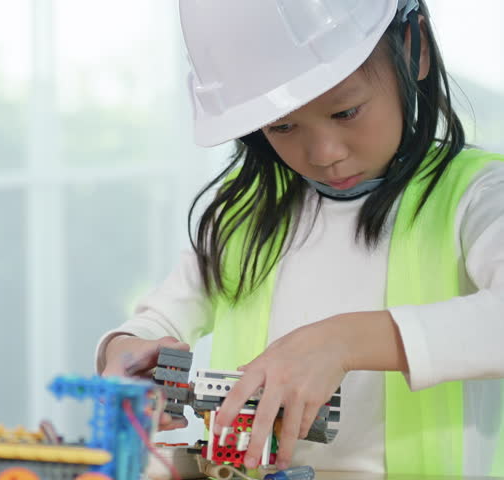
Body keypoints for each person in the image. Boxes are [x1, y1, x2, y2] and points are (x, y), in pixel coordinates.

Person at [95, 0, 504, 476]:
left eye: (347, 111)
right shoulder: (246, 216)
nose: (325, 153)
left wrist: (344, 341)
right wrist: (125, 352)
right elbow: (156, 321)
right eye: (283, 126)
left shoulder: (477, 198)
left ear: (412, 48)